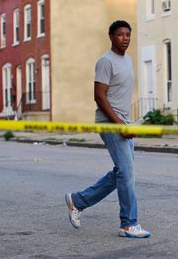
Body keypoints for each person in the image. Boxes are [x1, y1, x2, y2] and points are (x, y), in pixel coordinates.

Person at [64, 20, 151, 238]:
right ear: (111, 36)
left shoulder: (128, 61)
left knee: (122, 173)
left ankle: (78, 201)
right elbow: (99, 96)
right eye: (121, 35)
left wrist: (126, 123)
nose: (125, 38)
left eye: (128, 35)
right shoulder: (105, 61)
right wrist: (119, 125)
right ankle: (129, 223)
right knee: (127, 173)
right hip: (110, 123)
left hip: (123, 122)